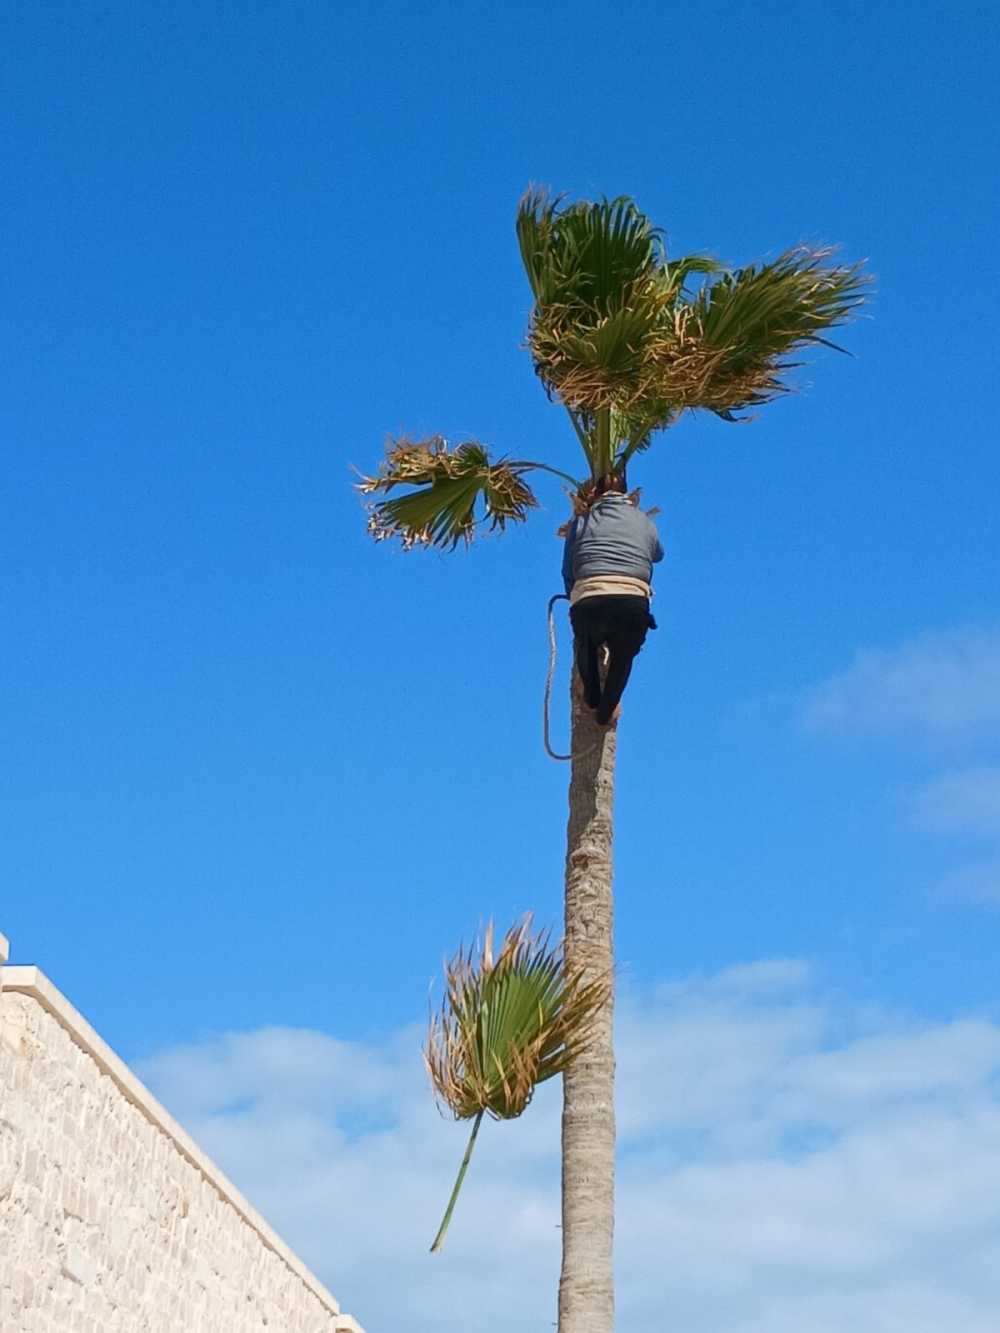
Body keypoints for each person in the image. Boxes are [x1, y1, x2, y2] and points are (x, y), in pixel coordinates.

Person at [561, 470, 663, 726]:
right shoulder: (644, 522)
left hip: (590, 600)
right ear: (626, 493)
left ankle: (591, 697)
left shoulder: (581, 522)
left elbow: (567, 569)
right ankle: (606, 710)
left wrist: (573, 600)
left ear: (594, 493)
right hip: (632, 603)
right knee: (623, 657)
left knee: (585, 642)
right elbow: (658, 554)